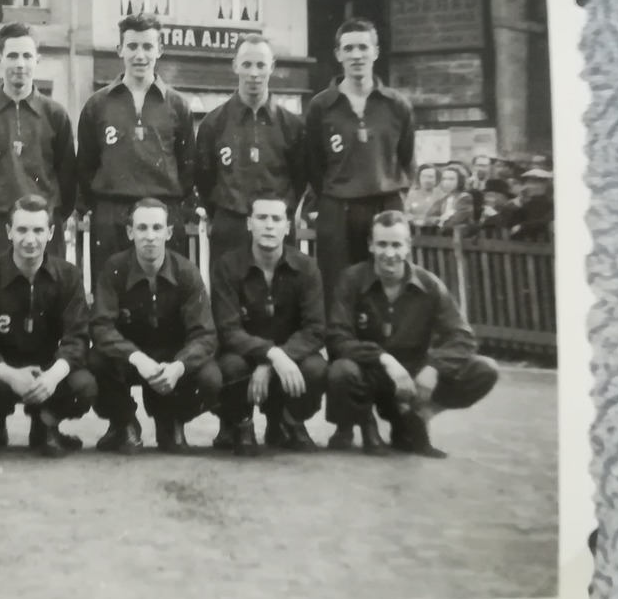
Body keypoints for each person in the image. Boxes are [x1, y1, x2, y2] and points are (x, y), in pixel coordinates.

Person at [326, 210, 500, 457]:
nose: (389, 253)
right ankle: (363, 425)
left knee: (484, 369)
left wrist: (434, 368)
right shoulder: (351, 280)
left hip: (415, 378)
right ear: (370, 246)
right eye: (382, 244)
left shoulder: (428, 284)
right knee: (341, 371)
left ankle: (418, 417)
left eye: (396, 245)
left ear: (408, 246)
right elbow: (337, 336)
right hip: (371, 372)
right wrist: (385, 360)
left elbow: (463, 336)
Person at [0, 195, 96, 459]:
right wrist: (8, 374)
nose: (30, 239)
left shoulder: (68, 276)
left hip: (45, 374)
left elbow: (78, 338)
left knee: (85, 383)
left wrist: (52, 377)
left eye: (38, 230)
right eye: (22, 230)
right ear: (9, 232)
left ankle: (47, 426)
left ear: (51, 233)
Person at [88, 198, 220, 455]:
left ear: (169, 232)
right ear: (130, 232)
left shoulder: (187, 273)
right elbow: (101, 326)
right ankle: (124, 421)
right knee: (95, 362)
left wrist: (179, 366)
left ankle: (172, 421)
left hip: (171, 362)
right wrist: (136, 358)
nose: (150, 236)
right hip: (129, 358)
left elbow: (205, 334)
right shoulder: (114, 268)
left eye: (157, 228)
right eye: (142, 228)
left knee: (210, 379)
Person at [304, 18, 416, 310]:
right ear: (338, 54)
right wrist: (334, 191)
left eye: (363, 47)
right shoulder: (321, 105)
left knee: (389, 278)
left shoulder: (396, 104)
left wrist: (393, 193)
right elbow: (314, 164)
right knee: (338, 285)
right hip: (338, 208)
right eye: (349, 48)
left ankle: (390, 348)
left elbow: (406, 158)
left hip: (385, 204)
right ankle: (343, 351)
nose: (356, 55)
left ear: (375, 52)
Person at [77, 14, 198, 282]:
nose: (140, 55)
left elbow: (188, 166)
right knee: (109, 292)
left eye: (147, 47)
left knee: (164, 291)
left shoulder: (177, 105)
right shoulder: (98, 104)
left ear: (159, 50)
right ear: (120, 50)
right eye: (132, 47)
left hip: (162, 213)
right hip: (111, 217)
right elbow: (85, 165)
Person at [210, 193, 327, 456]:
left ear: (288, 227)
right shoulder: (228, 266)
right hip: (244, 357)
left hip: (290, 357)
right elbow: (227, 329)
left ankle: (287, 421)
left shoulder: (306, 268)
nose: (269, 225)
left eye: (277, 219)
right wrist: (271, 355)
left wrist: (278, 358)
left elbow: (316, 329)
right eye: (262, 217)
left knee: (316, 368)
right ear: (249, 223)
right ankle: (241, 423)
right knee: (228, 367)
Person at [0, 23, 77, 264]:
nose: (20, 64)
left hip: (42, 225)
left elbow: (67, 177)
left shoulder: (55, 114)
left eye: (27, 56)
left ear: (38, 60)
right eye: (12, 56)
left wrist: (52, 216)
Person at [193, 35, 306, 263]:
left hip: (275, 225)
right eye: (247, 64)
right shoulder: (213, 123)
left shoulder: (291, 125)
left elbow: (300, 177)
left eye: (261, 65)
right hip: (231, 226)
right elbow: (204, 178)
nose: (254, 73)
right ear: (235, 66)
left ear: (271, 68)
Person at [510, 168, 555, 241]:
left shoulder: (550, 203)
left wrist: (522, 226)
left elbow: (546, 220)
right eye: (528, 182)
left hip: (544, 240)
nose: (528, 186)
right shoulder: (527, 203)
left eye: (533, 182)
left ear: (544, 185)